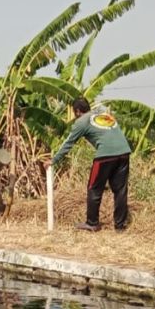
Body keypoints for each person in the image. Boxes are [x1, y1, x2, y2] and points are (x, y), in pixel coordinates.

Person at [45, 98, 132, 232]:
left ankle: (92, 223)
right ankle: (120, 226)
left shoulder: (81, 122)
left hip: (105, 155)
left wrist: (54, 160)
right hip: (124, 152)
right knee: (120, 190)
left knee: (94, 188)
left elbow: (68, 143)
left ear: (78, 111)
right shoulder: (105, 115)